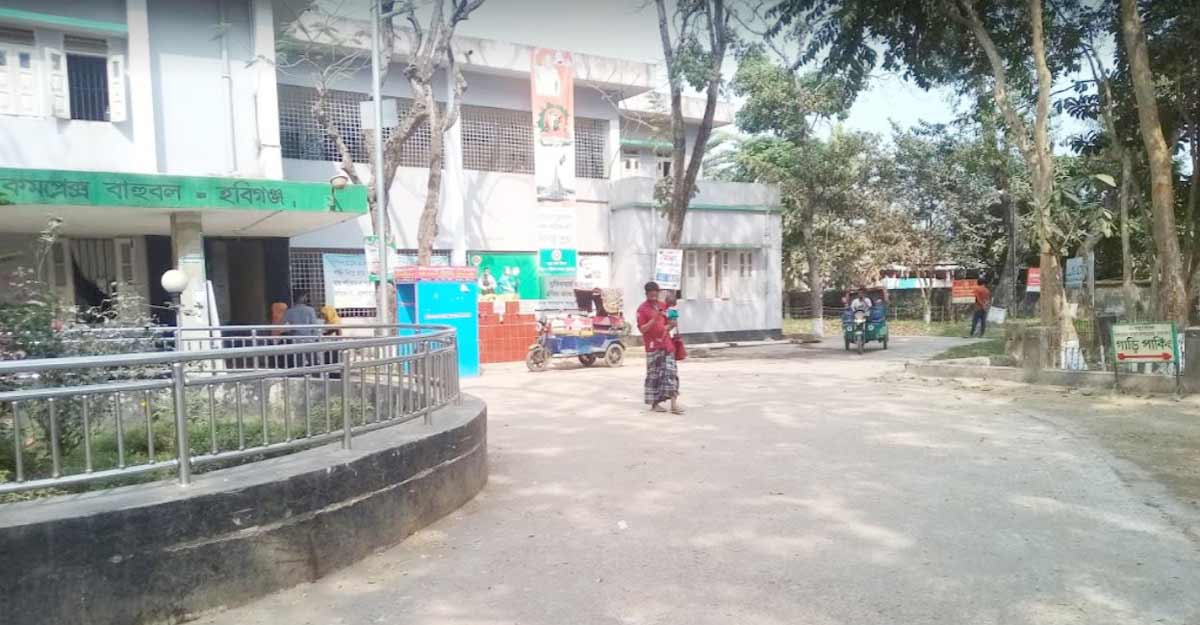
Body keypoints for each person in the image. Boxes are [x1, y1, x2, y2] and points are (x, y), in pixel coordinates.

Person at [637, 281, 683, 414]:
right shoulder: (642, 309)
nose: (653, 297)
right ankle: (655, 404)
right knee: (654, 375)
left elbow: (671, 323)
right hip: (652, 347)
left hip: (666, 345)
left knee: (671, 373)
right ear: (646, 294)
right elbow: (642, 329)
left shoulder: (663, 306)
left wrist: (670, 325)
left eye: (655, 294)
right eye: (651, 295)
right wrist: (654, 319)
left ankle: (674, 404)